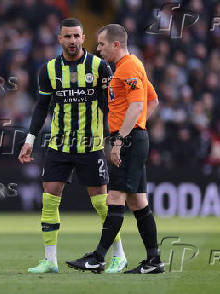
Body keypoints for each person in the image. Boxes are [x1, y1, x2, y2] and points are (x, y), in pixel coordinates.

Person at [18, 18, 127, 274]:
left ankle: (119, 255)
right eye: (67, 36)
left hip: (91, 146)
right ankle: (50, 261)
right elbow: (41, 107)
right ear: (59, 39)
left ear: (83, 37)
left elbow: (108, 106)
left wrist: (118, 140)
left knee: (102, 204)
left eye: (77, 36)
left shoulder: (100, 67)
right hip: (60, 145)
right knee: (49, 199)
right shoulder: (49, 70)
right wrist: (29, 139)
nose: (73, 41)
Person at [65, 24, 163, 274]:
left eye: (101, 44)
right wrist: (139, 125)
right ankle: (154, 261)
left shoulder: (129, 66)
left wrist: (121, 139)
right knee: (138, 202)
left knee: (114, 198)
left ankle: (98, 257)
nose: (98, 49)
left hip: (129, 140)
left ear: (116, 45)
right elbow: (152, 100)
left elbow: (136, 105)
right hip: (135, 137)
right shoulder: (131, 65)